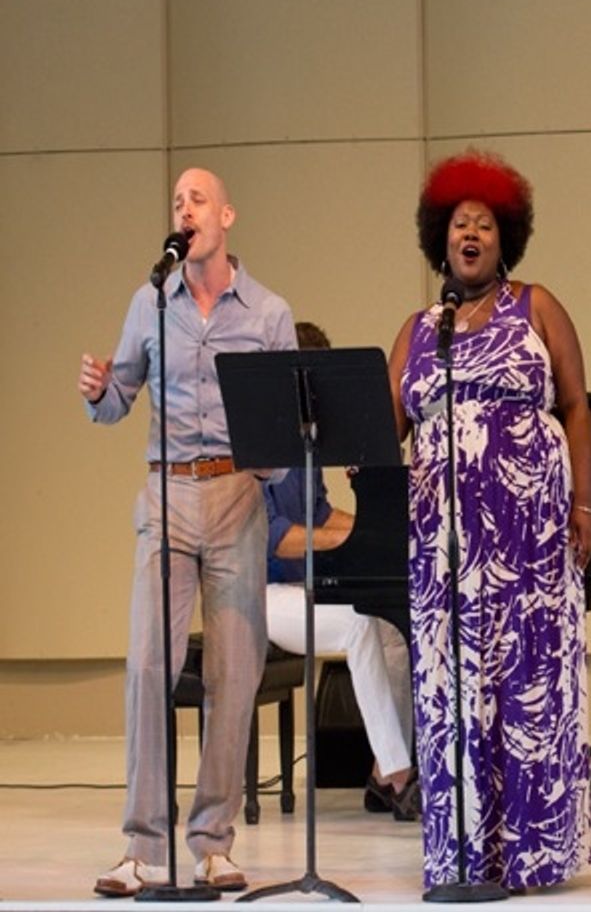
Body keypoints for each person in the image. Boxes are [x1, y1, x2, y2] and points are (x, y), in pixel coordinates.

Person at [79, 168, 296, 897]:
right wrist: (99, 389)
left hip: (236, 490)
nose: (184, 209)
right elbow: (117, 403)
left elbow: (290, 420)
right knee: (148, 666)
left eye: (197, 199)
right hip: (166, 489)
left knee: (234, 676)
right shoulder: (150, 301)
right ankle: (140, 846)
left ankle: (212, 842)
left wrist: (274, 457)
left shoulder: (267, 313)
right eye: (176, 201)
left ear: (227, 214)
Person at [387, 150, 591, 891]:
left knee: (526, 685)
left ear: (504, 238)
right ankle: (462, 854)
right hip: (442, 543)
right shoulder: (418, 329)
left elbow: (574, 406)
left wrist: (584, 502)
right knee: (452, 691)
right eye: (456, 224)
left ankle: (533, 854)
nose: (469, 232)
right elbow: (385, 433)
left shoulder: (536, 305)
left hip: (528, 532)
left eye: (482, 223)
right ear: (439, 242)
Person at [262, 320, 418, 821]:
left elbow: (323, 515)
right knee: (356, 624)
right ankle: (399, 775)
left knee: (393, 629)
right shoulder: (257, 445)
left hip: (303, 585)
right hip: (263, 594)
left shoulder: (306, 444)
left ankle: (383, 770)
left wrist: (388, 527)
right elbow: (279, 538)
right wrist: (359, 543)